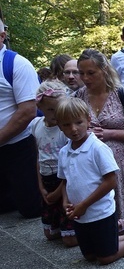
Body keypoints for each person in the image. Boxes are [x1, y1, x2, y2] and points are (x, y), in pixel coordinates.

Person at [55, 97, 124, 266]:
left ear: (88, 120)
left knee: (105, 257)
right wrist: (66, 202)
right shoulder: (64, 152)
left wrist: (84, 204)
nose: (73, 129)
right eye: (66, 125)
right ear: (59, 126)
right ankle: (119, 236)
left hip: (100, 212)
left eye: (78, 122)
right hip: (80, 215)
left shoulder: (97, 148)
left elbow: (111, 181)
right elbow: (64, 181)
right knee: (89, 256)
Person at [75, 49, 124, 229]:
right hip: (91, 167)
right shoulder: (79, 96)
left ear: (104, 70)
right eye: (82, 73)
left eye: (91, 73)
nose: (85, 78)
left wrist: (109, 133)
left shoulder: (123, 95)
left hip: (120, 168)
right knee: (97, 224)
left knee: (122, 226)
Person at [0, 18, 43, 218]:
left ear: (2, 36)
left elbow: (27, 111)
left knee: (31, 208)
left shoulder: (17, 64)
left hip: (18, 146)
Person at [31, 80, 74, 245]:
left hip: (64, 181)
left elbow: (71, 165)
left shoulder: (65, 130)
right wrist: (41, 186)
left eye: (60, 109)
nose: (56, 114)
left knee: (69, 239)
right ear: (40, 108)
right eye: (51, 110)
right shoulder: (36, 126)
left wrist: (59, 191)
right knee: (50, 234)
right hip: (47, 179)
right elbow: (39, 156)